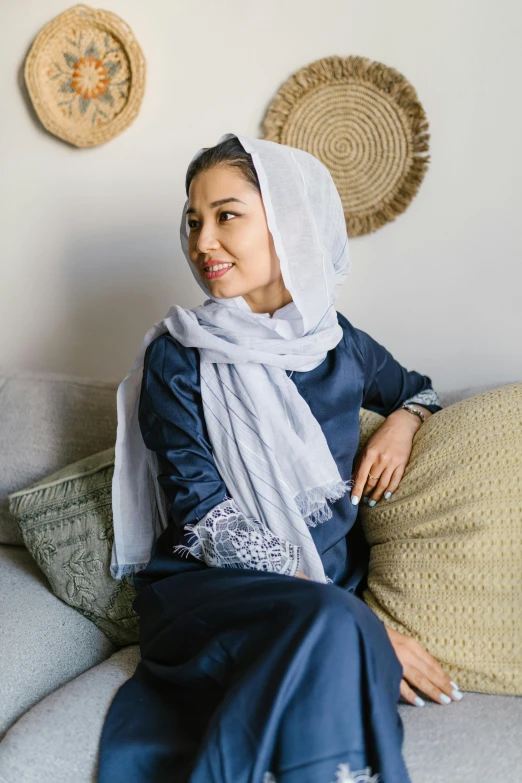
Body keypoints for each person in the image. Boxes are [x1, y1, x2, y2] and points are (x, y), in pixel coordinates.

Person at [97, 133, 462, 783]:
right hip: (209, 592)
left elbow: (418, 386)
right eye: (193, 220)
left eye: (226, 215)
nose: (202, 240)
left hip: (322, 603)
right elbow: (204, 515)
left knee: (326, 624)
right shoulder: (178, 356)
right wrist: (362, 628)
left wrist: (404, 420)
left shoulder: (341, 344)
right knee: (330, 626)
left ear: (291, 223)